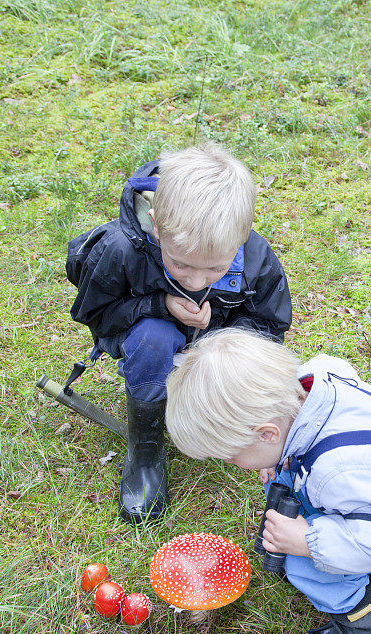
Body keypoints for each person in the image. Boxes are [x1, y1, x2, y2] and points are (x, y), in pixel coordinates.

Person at [165, 329, 371, 634]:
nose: (230, 464)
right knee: (280, 479)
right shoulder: (309, 382)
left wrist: (306, 541)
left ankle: (370, 624)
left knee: (304, 565)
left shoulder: (340, 471)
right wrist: (275, 460)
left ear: (267, 433)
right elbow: (334, 364)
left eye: (230, 456)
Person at [65, 143, 292, 524]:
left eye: (215, 269)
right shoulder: (121, 250)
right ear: (156, 223)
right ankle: (146, 448)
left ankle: (203, 403)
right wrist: (159, 305)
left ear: (242, 235)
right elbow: (97, 316)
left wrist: (225, 346)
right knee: (153, 338)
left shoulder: (254, 257)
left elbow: (269, 324)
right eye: (181, 265)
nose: (197, 280)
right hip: (150, 340)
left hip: (213, 343)